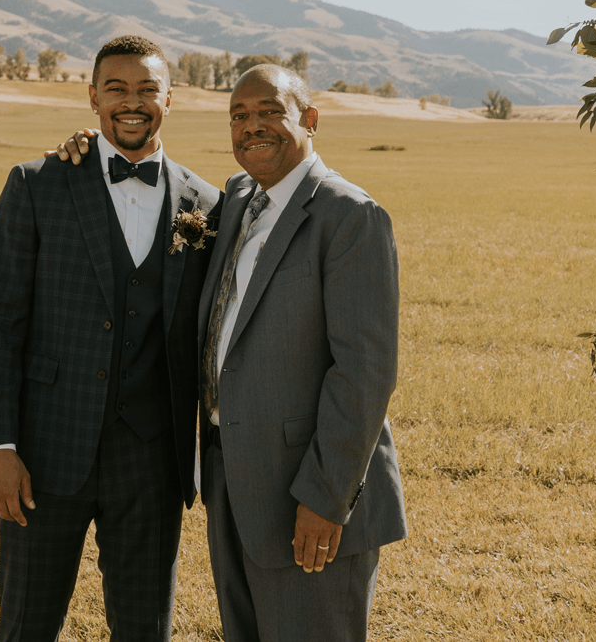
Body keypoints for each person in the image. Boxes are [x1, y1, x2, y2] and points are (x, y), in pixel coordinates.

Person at [56, 64, 405, 641]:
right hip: (231, 481)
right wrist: (90, 146)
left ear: (310, 120)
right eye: (239, 116)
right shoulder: (239, 197)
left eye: (271, 111)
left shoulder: (350, 217)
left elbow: (364, 373)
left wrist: (326, 496)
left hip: (309, 492)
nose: (253, 127)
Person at [0, 35, 221, 642]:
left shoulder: (207, 204)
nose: (131, 103)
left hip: (153, 460)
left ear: (170, 99)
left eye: (146, 90)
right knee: (26, 624)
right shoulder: (37, 185)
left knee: (144, 628)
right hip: (44, 451)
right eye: (116, 89)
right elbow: (0, 323)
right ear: (92, 98)